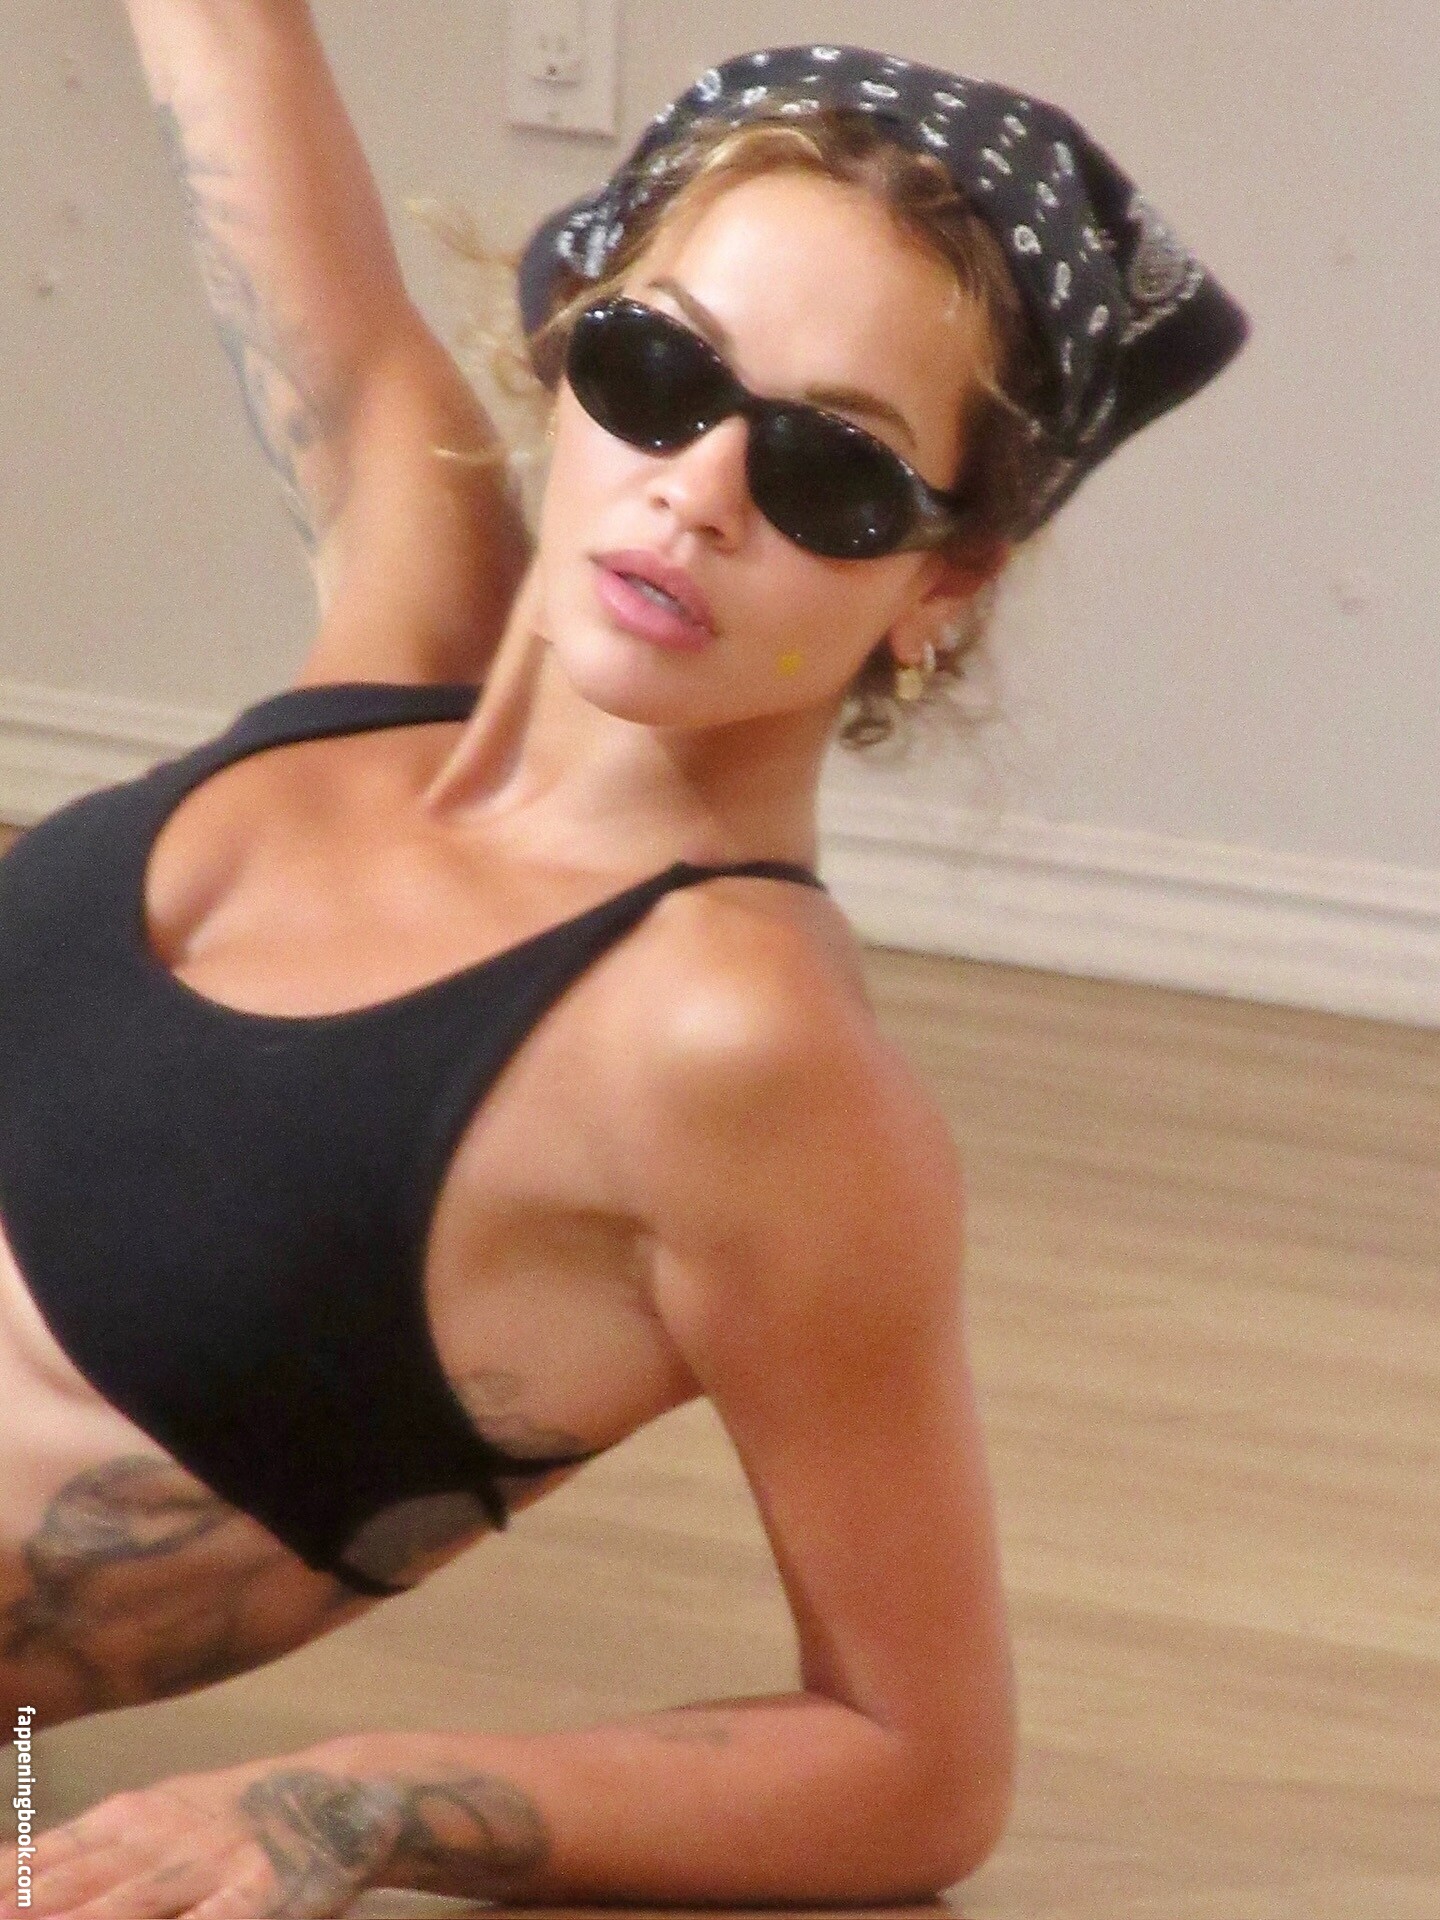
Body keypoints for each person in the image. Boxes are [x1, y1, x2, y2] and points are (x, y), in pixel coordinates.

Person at [0, 9, 1246, 1913]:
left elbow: (918, 1764)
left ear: (943, 580)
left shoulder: (732, 1047)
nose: (701, 488)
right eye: (658, 371)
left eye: (834, 471)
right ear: (565, 345)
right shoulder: (413, 628)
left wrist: (344, 1796)